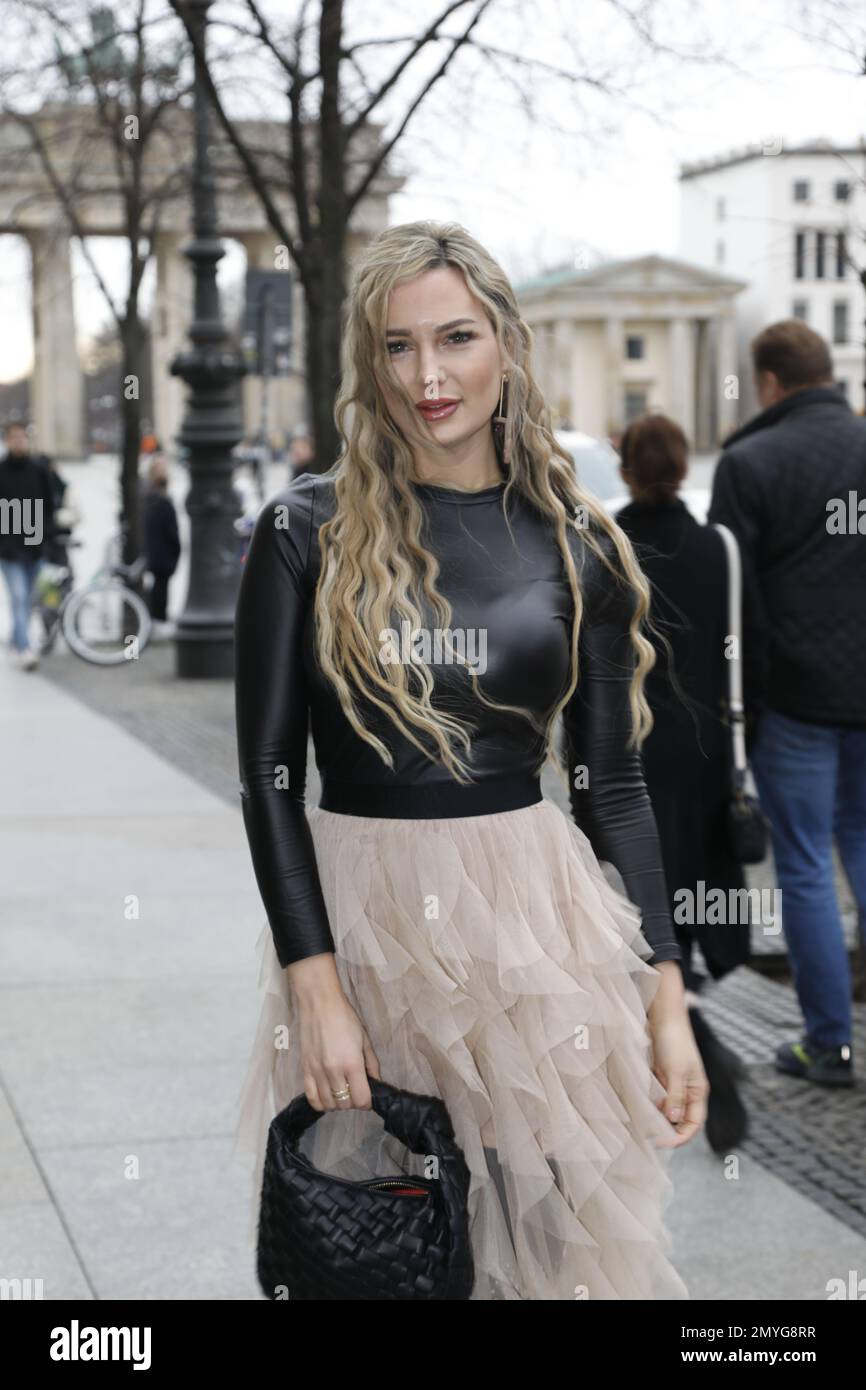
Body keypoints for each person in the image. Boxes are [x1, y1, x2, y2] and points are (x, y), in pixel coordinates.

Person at [232, 221, 706, 1301]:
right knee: (387, 1250)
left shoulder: (576, 541)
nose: (428, 376)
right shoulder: (303, 532)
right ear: (370, 363)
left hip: (540, 931)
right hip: (366, 929)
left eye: (454, 338)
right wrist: (314, 983)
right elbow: (266, 776)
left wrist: (664, 993)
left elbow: (611, 787)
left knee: (551, 1251)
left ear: (504, 342)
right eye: (396, 347)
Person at [708, 319, 866, 1087]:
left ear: (768, 383)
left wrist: (741, 699)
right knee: (865, 850)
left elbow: (731, 598)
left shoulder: (749, 462)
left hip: (796, 698)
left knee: (803, 868)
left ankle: (829, 1045)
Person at [614, 413, 749, 1153]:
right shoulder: (717, 549)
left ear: (627, 466)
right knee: (687, 905)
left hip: (632, 757)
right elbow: (746, 650)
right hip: (707, 758)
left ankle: (685, 1046)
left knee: (646, 907)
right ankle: (693, 1038)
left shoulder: (609, 547)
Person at [0, 421, 55, 670]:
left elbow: (49, 506)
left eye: (22, 437)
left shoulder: (39, 471)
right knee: (18, 597)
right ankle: (25, 649)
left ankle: (15, 640)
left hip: (35, 547)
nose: (19, 441)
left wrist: (46, 539)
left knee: (29, 600)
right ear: (7, 441)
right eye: (14, 437)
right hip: (9, 549)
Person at [140, 453, 180, 638]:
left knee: (159, 586)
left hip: (157, 550)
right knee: (160, 587)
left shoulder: (151, 497)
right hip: (161, 550)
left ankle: (156, 618)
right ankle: (158, 619)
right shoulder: (160, 500)